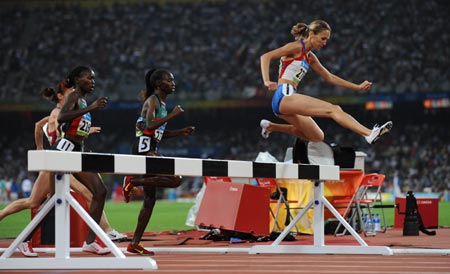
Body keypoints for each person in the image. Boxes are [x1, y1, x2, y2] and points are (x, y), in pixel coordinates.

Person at [0, 77, 125, 257]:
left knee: (44, 200)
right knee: (39, 201)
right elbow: (47, 130)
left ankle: (104, 232)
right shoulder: (56, 112)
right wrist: (41, 150)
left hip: (64, 159)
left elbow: (56, 129)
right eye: (68, 94)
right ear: (61, 97)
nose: (72, 96)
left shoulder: (67, 111)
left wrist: (81, 133)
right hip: (57, 160)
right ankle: (23, 238)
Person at [259, 20, 392, 144]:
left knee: (317, 136)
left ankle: (271, 127)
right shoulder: (296, 46)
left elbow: (329, 77)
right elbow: (266, 56)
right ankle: (368, 133)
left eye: (326, 40)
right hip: (284, 95)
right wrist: (266, 80)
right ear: (311, 34)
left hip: (288, 100)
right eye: (323, 39)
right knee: (333, 109)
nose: (324, 43)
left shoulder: (310, 57)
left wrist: (357, 87)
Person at [122, 68, 195, 255]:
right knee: (175, 178)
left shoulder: (161, 103)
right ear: (158, 84)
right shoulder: (152, 100)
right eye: (169, 80)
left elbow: (159, 133)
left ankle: (134, 244)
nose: (173, 83)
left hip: (152, 147)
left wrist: (181, 132)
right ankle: (133, 181)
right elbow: (149, 126)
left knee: (150, 200)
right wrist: (173, 115)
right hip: (143, 148)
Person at [52, 65, 110, 255]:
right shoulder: (74, 96)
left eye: (94, 79)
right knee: (43, 199)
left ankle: (90, 242)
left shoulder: (83, 101)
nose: (92, 82)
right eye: (89, 78)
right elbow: (62, 117)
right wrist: (94, 107)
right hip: (63, 150)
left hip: (77, 151)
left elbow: (78, 130)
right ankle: (25, 241)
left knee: (100, 191)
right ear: (78, 80)